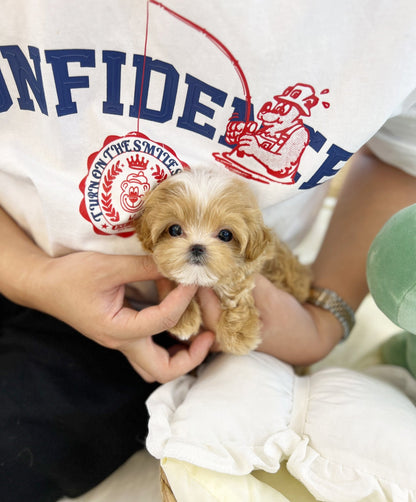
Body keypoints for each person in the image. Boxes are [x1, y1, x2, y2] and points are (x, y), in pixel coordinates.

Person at [1, 1, 416, 500]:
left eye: (223, 236)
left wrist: (326, 317)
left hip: (136, 338)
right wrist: (29, 275)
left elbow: (402, 157)